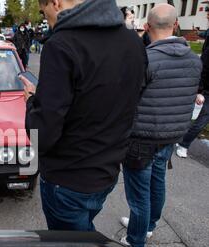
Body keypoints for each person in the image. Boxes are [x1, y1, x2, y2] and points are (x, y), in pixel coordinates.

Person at [20, 0, 146, 232]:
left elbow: (43, 134)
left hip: (67, 178)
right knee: (83, 236)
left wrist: (32, 102)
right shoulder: (132, 41)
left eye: (43, 11)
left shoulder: (61, 44)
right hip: (107, 171)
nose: (45, 18)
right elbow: (127, 98)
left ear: (56, 3)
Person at [119, 4, 202, 247]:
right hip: (171, 135)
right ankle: (147, 226)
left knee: (139, 195)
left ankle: (136, 243)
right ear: (176, 25)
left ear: (146, 27)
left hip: (141, 138)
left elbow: (127, 100)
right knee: (157, 183)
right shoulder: (193, 60)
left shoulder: (146, 59)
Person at [176, 6, 209, 158]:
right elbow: (205, 64)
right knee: (201, 120)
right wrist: (200, 90)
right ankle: (182, 143)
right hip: (206, 86)